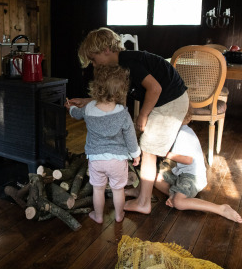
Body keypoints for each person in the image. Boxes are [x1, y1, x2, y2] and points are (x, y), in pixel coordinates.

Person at [69, 27, 189, 214]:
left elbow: (155, 89)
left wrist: (143, 114)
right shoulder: (119, 66)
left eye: (93, 59)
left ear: (106, 49)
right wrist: (86, 102)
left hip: (170, 101)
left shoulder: (129, 62)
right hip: (165, 100)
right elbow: (112, 98)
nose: (93, 64)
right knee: (146, 145)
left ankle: (144, 203)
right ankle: (142, 190)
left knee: (148, 150)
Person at [126, 108, 242, 223]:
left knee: (179, 203)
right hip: (181, 175)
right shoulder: (179, 131)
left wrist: (164, 153)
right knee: (153, 177)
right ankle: (143, 192)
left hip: (193, 178)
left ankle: (221, 209)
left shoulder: (184, 134)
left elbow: (187, 160)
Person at [65, 64, 141, 223]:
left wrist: (69, 108)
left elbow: (76, 114)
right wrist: (136, 155)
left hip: (96, 159)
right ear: (120, 91)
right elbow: (130, 137)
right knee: (118, 190)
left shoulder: (88, 108)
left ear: (95, 87)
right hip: (117, 160)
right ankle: (119, 216)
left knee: (98, 190)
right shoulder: (122, 113)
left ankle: (98, 216)